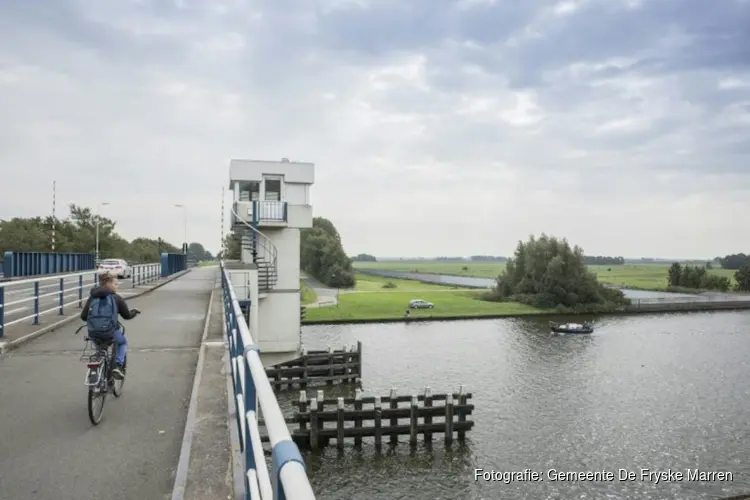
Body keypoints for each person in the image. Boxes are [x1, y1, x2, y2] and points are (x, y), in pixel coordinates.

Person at [80, 270, 140, 380]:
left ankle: (97, 370)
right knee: (122, 342)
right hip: (111, 332)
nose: (117, 286)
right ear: (108, 284)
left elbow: (83, 316)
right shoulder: (116, 298)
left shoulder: (92, 297)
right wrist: (134, 312)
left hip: (94, 332)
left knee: (100, 349)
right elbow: (126, 315)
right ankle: (117, 365)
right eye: (115, 284)